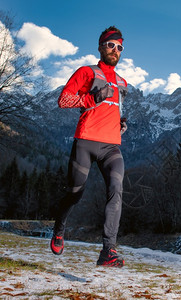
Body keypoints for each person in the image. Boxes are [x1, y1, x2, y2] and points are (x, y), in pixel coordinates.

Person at [50, 26, 128, 268]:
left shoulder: (123, 82)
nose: (115, 50)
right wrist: (91, 98)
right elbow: (64, 99)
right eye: (111, 45)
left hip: (111, 146)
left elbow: (113, 109)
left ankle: (108, 250)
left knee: (116, 189)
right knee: (75, 193)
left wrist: (120, 123)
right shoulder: (86, 72)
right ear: (101, 47)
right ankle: (59, 228)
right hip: (85, 141)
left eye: (120, 47)